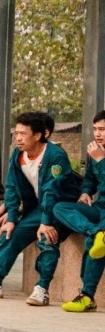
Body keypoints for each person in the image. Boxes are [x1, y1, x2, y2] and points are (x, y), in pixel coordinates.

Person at [0, 112, 80, 305]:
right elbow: (12, 188)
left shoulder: (55, 156)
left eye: (23, 134)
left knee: (47, 238)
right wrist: (11, 218)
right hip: (40, 207)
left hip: (62, 208)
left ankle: (42, 289)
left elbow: (52, 191)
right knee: (10, 232)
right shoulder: (18, 155)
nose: (18, 138)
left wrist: (46, 223)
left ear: (38, 135)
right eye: (16, 134)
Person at [50, 109, 105, 312]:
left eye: (103, 129)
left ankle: (87, 296)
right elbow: (90, 178)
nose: (97, 134)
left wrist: (102, 161)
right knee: (60, 207)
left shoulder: (98, 154)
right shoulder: (95, 150)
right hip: (99, 208)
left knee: (93, 244)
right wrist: (85, 192)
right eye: (95, 129)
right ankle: (96, 232)